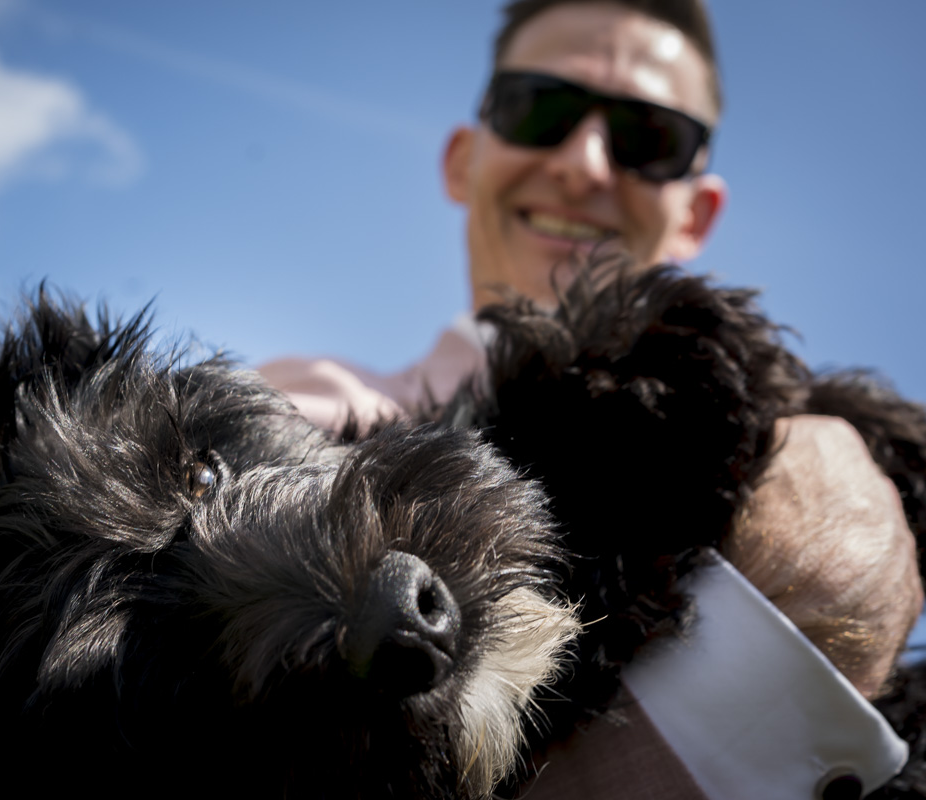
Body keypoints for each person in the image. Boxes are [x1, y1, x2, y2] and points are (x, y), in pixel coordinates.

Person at [259, 1, 924, 797]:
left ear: (696, 214)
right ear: (463, 160)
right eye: (539, 109)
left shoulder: (815, 425)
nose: (585, 163)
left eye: (649, 137)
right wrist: (784, 650)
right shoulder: (290, 413)